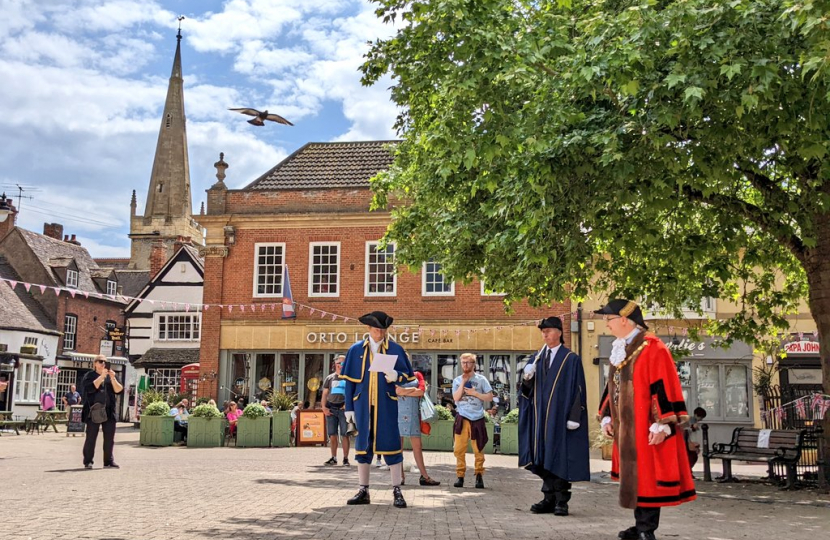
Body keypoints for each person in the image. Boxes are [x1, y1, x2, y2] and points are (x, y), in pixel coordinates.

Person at [596, 299, 696, 540]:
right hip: (627, 427)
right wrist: (607, 416)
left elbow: (663, 386)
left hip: (646, 426)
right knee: (636, 477)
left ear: (623, 319)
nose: (606, 324)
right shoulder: (621, 347)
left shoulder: (654, 348)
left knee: (649, 477)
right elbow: (613, 387)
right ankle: (639, 524)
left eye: (608, 319)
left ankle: (646, 529)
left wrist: (662, 423)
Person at [518, 316, 590, 516]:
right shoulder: (536, 359)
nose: (545, 334)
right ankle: (548, 497)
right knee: (541, 457)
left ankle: (561, 500)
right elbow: (526, 393)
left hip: (560, 418)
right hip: (540, 419)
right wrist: (527, 379)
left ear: (559, 332)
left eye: (548, 331)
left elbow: (579, 390)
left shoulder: (570, 359)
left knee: (559, 456)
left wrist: (575, 416)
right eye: (543, 331)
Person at [342, 311, 415, 508]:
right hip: (362, 405)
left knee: (391, 444)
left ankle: (397, 490)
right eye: (376, 329)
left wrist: (395, 375)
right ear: (368, 329)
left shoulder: (395, 349)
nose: (380, 333)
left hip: (386, 404)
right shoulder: (356, 349)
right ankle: (363, 490)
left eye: (382, 329)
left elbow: (408, 376)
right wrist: (349, 407)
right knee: (363, 446)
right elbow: (349, 382)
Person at [452, 352, 493, 489]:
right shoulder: (457, 380)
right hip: (462, 417)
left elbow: (489, 397)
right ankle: (460, 476)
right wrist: (463, 382)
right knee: (459, 448)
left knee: (479, 448)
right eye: (463, 362)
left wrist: (475, 393)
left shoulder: (481, 379)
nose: (465, 365)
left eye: (468, 362)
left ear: (474, 364)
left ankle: (479, 475)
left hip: (477, 417)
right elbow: (456, 398)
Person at [397, 371, 440, 486]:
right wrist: (412, 391)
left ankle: (424, 476)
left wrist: (403, 392)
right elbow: (395, 391)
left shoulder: (417, 374)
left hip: (413, 414)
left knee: (418, 446)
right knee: (398, 447)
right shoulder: (393, 374)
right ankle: (400, 476)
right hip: (397, 414)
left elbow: (421, 391)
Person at [81, 355, 124, 469]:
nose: (103, 364)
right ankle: (88, 461)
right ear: (95, 363)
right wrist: (102, 376)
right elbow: (90, 388)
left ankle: (108, 461)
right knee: (91, 437)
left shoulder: (111, 376)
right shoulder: (89, 376)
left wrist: (113, 378)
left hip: (109, 411)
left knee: (109, 437)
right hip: (93, 410)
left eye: (105, 362)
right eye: (100, 362)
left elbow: (119, 390)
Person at [322, 354, 351, 466]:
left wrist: (348, 405)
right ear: (335, 364)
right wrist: (324, 407)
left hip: (344, 409)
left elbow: (353, 394)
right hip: (331, 409)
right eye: (339, 363)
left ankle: (345, 458)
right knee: (332, 434)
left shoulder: (349, 378)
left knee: (345, 434)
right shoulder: (329, 378)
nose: (341, 365)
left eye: (344, 363)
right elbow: (325, 394)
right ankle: (333, 457)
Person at [685, 407, 707, 472]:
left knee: (691, 457)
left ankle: (688, 471)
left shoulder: (691, 420)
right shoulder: (692, 421)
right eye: (701, 417)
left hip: (689, 442)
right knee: (692, 457)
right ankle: (688, 471)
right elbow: (690, 432)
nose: (701, 419)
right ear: (696, 415)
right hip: (689, 442)